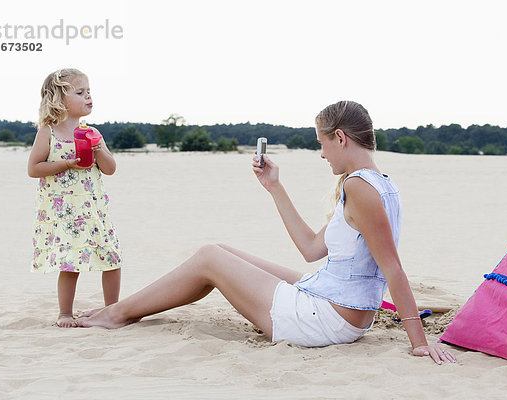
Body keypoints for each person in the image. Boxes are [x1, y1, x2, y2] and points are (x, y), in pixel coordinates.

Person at [78, 101, 456, 364]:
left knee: (210, 255)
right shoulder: (380, 184)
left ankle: (118, 314)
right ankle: (127, 311)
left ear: (340, 137)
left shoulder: (360, 188)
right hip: (335, 301)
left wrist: (420, 344)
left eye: (322, 143)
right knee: (223, 251)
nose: (322, 154)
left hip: (327, 320)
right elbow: (311, 249)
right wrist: (275, 186)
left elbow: (393, 269)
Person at [28, 68, 122, 328]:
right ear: (59, 99)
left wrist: (98, 149)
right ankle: (65, 313)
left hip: (94, 211)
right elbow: (34, 168)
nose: (88, 96)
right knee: (70, 264)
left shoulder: (93, 133)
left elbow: (110, 168)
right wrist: (67, 163)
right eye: (80, 92)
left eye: (89, 91)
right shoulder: (48, 132)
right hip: (66, 214)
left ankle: (111, 308)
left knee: (111, 258)